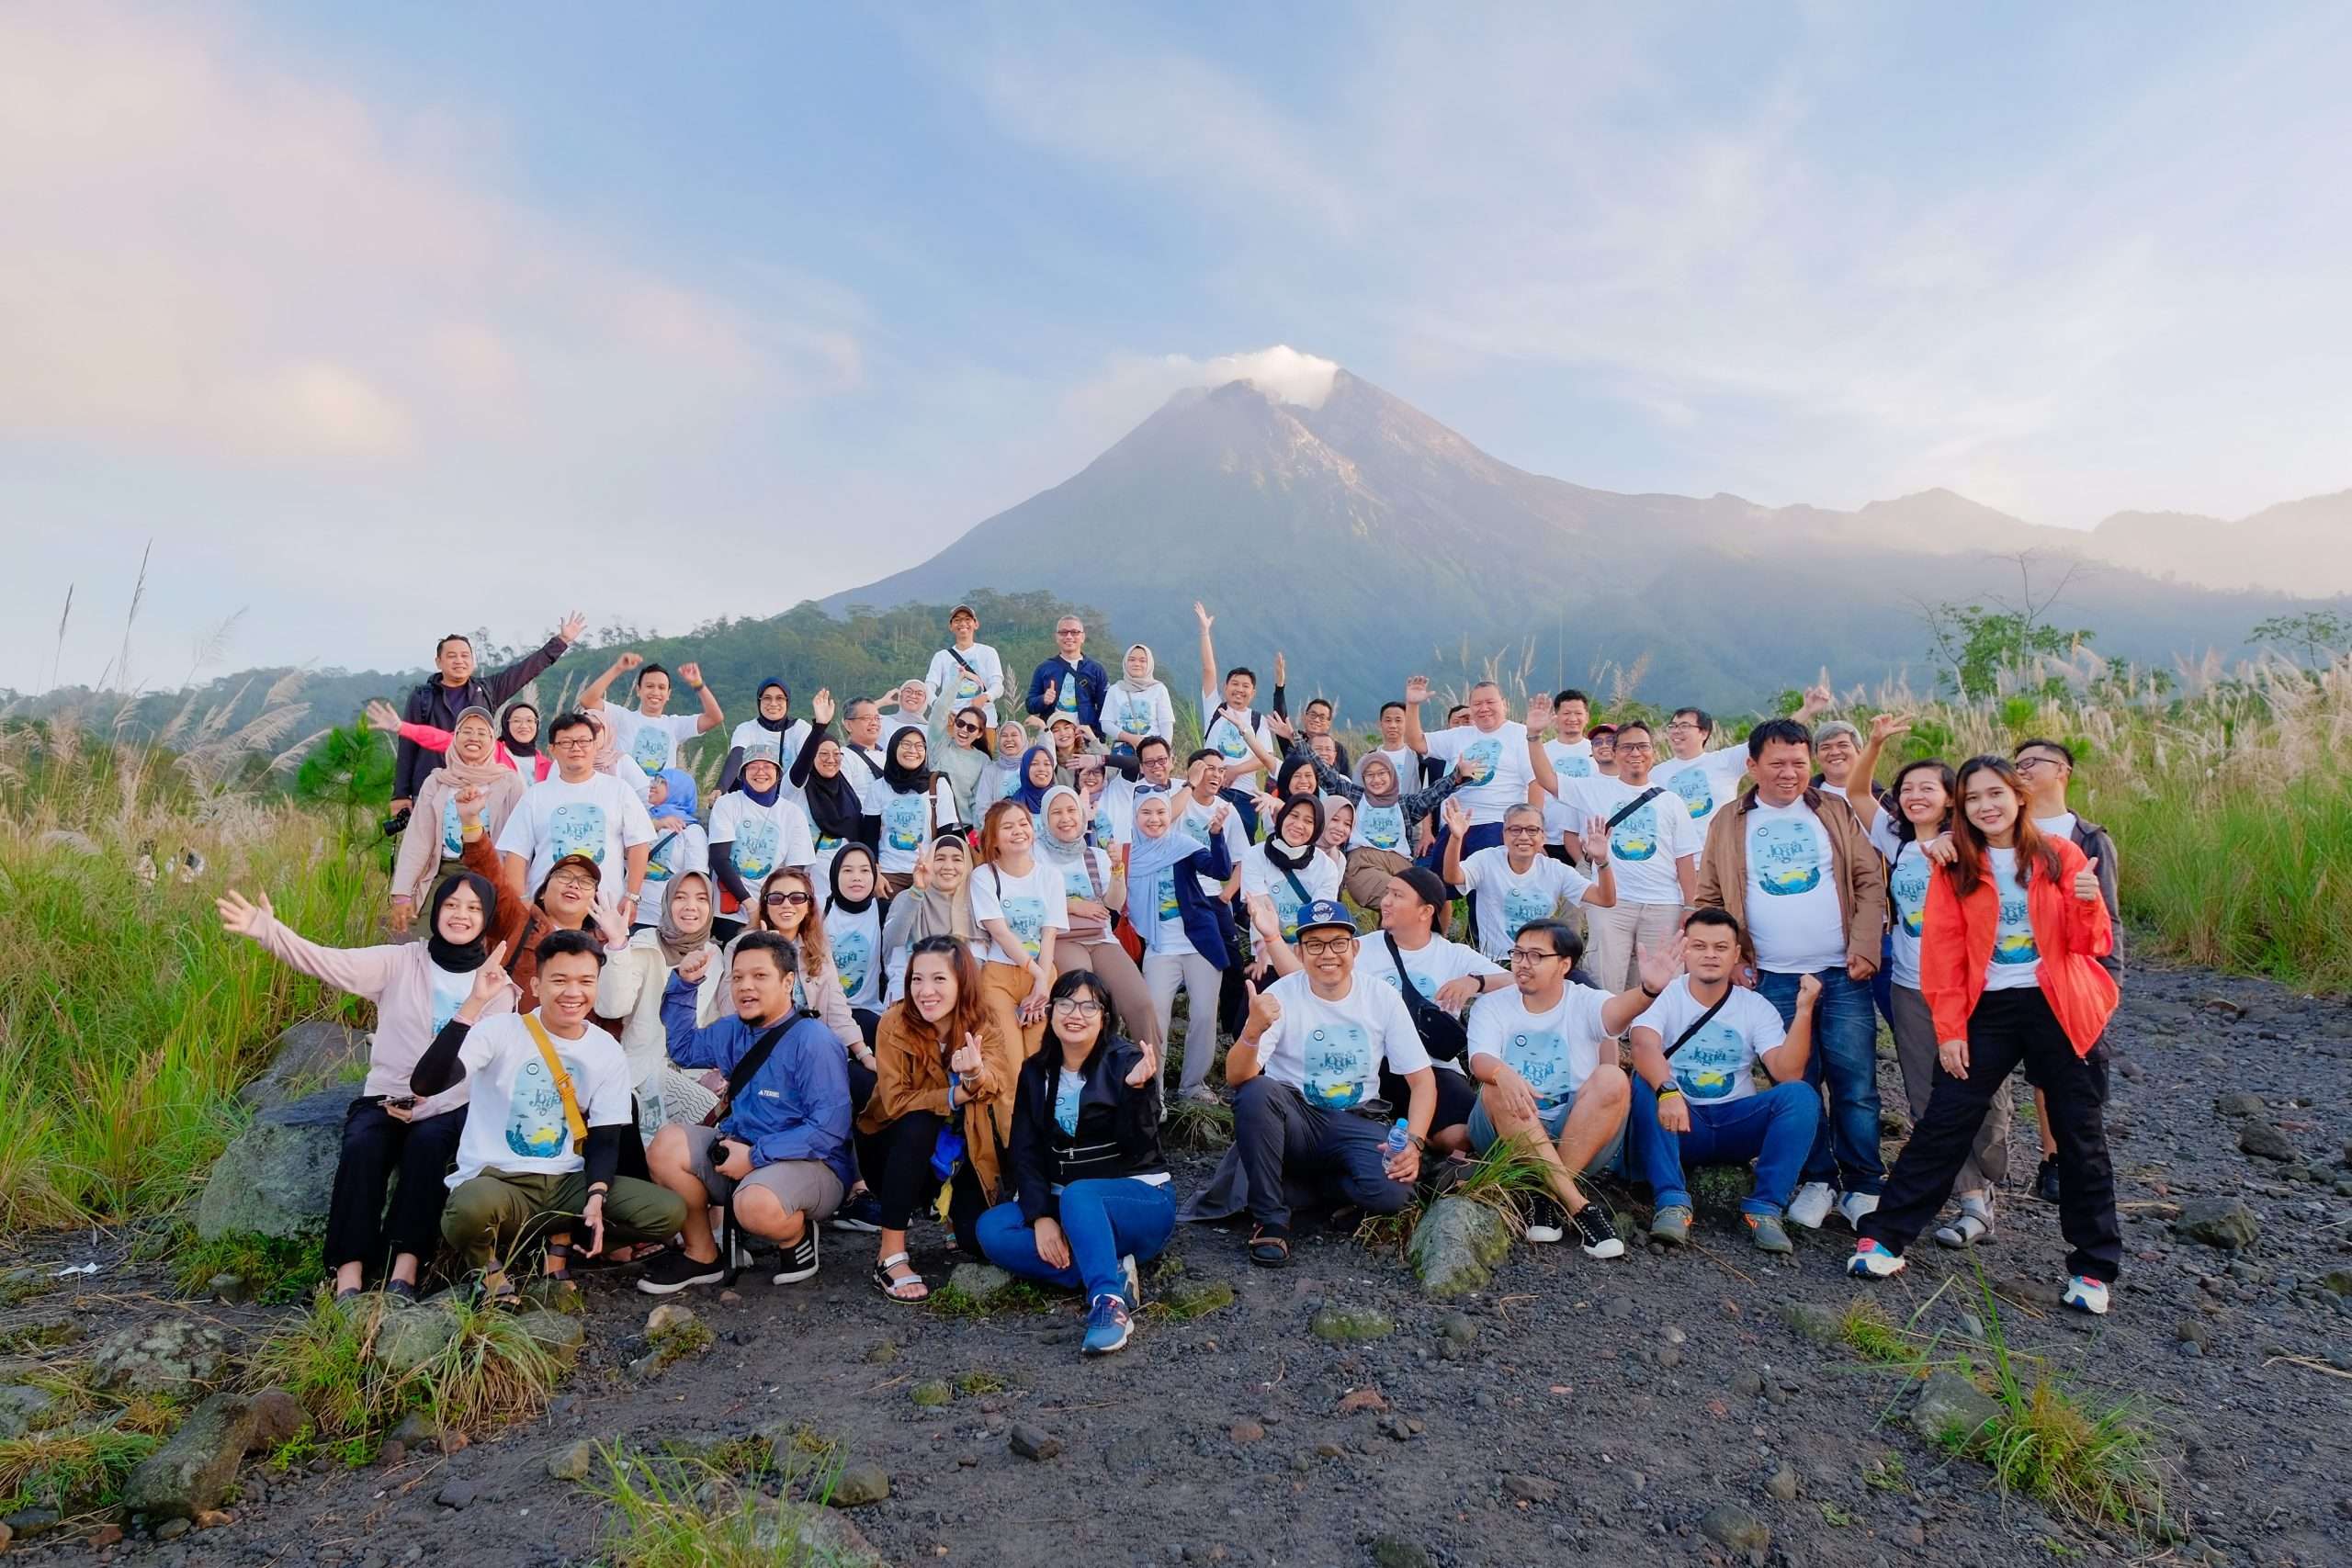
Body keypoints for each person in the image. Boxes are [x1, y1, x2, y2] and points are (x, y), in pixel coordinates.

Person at [1854, 757, 2120, 1315]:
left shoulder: (2059, 853)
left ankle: (2093, 1269)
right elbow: (1942, 954)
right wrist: (1950, 1030)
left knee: (2080, 1134)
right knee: (1945, 1120)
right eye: (1973, 798)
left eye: (1995, 794)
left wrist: (2088, 901)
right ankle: (1886, 1237)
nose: (1986, 806)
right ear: (1962, 807)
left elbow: (2089, 943)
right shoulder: (1954, 863)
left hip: (2057, 1006)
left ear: (2019, 797)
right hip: (1988, 1009)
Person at [216, 874, 498, 1300]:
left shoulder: (496, 987)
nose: (461, 915)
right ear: (435, 911)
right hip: (386, 1094)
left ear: (487, 918)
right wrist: (271, 933)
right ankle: (348, 1274)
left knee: (428, 1145)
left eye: (474, 908)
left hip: (446, 1107)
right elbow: (328, 962)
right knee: (363, 1143)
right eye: (452, 905)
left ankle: (405, 1269)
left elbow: (476, 1069)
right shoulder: (401, 962)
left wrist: (423, 1106)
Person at [416, 930, 689, 1303]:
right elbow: (427, 1082)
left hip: (565, 1185)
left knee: (667, 1213)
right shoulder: (499, 1032)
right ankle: (487, 1268)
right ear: (536, 984)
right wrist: (473, 1004)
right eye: (559, 980)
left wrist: (596, 1196)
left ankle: (558, 1238)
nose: (573, 993)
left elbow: (606, 1137)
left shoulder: (604, 1049)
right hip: (501, 1182)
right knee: (469, 1207)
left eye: (585, 981)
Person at [1695, 716, 1887, 1233]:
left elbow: (1870, 879)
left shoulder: (1835, 809)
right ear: (1752, 766)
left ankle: (1865, 1182)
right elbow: (1710, 897)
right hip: (1773, 978)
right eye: (1777, 763)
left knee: (1856, 1080)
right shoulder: (1729, 822)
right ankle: (1817, 1179)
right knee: (1796, 1080)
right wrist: (1733, 959)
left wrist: (1866, 944)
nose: (1789, 774)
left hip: (1842, 971)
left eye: (1799, 764)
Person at [638, 931, 854, 1292]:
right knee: (666, 1146)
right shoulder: (734, 1030)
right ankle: (703, 1255)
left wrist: (755, 1157)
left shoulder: (814, 1042)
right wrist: (684, 986)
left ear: (788, 982)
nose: (745, 987)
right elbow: (684, 1050)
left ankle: (796, 1238)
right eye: (737, 977)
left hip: (813, 1165)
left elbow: (829, 1131)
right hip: (742, 1150)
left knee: (753, 1205)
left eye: (759, 976)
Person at [1223, 899, 1436, 1267]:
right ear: (1299, 952)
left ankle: (1309, 1188)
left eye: (1338, 942)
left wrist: (1414, 1143)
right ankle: (1270, 1219)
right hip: (1294, 1119)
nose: (1328, 954)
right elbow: (1237, 1076)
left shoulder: (1381, 996)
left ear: (1355, 948)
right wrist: (1253, 1029)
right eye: (1315, 945)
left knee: (1392, 1194)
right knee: (1257, 1091)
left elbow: (1423, 1082)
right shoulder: (1282, 995)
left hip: (1355, 1120)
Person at [976, 971, 1172, 1356]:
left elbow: (1140, 1149)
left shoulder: (1126, 1062)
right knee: (993, 1229)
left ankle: (1107, 1304)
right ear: (1050, 1012)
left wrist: (1137, 1092)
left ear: (1105, 1016)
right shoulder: (1036, 1071)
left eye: (1088, 1005)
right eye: (1065, 1003)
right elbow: (1025, 1152)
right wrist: (1040, 1217)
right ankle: (1112, 1270)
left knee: (1081, 1195)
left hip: (1136, 1198)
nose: (1075, 1014)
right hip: (1063, 1200)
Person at [1851, 752, 2005, 1245]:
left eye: (1929, 788)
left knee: (1984, 1090)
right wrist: (1873, 743)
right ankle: (1971, 1200)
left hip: (1968, 988)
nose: (1916, 796)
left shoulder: (1971, 845)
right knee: (1925, 1094)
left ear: (1950, 798)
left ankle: (1987, 1172)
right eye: (1908, 788)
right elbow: (1857, 793)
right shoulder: (1895, 839)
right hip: (1910, 986)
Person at [1460, 917, 1666, 1256]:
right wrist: (1504, 1073)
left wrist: (1648, 991)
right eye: (1519, 953)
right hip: (1502, 1134)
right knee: (1497, 1083)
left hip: (1576, 1134)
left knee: (1612, 1076)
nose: (1524, 963)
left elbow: (1615, 1014)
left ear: (1565, 964)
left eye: (1536, 956)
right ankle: (1579, 1205)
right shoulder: (1492, 1005)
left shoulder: (1584, 1001)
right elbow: (1480, 1060)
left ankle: (1545, 1196)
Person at [1631, 908, 1825, 1254]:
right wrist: (1668, 1090)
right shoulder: (1665, 994)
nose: (1710, 955)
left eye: (1721, 947)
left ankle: (1765, 1209)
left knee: (1800, 1095)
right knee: (1645, 1082)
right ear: (1685, 951)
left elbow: (1787, 1072)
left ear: (1736, 954)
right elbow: (1644, 1045)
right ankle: (1672, 1201)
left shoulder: (1755, 1006)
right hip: (1678, 1122)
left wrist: (1805, 1010)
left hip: (1735, 1122)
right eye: (1700, 946)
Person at [859, 936, 1022, 1299]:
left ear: (963, 982)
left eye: (939, 979)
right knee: (921, 1119)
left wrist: (975, 1074)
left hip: (963, 1153)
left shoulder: (985, 1022)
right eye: (917, 979)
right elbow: (895, 1100)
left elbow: (999, 1081)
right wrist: (955, 1094)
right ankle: (890, 1254)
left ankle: (951, 1215)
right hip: (891, 1149)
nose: (925, 991)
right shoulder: (894, 1023)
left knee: (976, 1242)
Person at [2012, 737, 2123, 1205]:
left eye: (2032, 763)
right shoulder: (2004, 829)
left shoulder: (2090, 838)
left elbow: (2108, 913)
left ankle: (2057, 1160)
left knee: (2060, 1072)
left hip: (2070, 975)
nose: (2022, 770)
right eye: (2016, 764)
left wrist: (2110, 981)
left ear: (2063, 771)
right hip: (2009, 973)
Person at [1350, 866, 1507, 1145]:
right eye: (1387, 892)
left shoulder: (1452, 955)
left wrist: (1476, 982)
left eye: (1397, 895)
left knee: (1459, 1138)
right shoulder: (1361, 949)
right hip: (1373, 1064)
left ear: (1426, 911)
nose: (1386, 901)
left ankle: (1419, 1142)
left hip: (1433, 1065)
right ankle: (1407, 1138)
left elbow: (1520, 982)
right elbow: (1309, 975)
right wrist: (1271, 942)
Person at [1557, 719, 1702, 992]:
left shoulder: (1671, 801)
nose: (1635, 753)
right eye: (1627, 747)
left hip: (1664, 904)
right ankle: (1608, 1033)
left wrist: (1689, 905)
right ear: (1615, 752)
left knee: (1659, 982)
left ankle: (1648, 1033)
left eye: (1642, 746)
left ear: (1653, 752)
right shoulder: (1594, 789)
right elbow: (1547, 780)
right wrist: (1533, 735)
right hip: (1613, 902)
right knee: (1605, 975)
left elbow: (1684, 858)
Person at [390, 615, 584, 813]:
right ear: (438, 662)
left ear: (473, 661)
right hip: (432, 786)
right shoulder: (423, 696)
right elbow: (407, 745)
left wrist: (562, 641)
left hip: (477, 788)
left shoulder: (487, 691)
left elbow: (526, 670)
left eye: (465, 655)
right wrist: (400, 795)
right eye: (452, 656)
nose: (459, 661)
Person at [1125, 790, 1239, 1107]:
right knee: (1155, 1016)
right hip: (1160, 947)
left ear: (1169, 816)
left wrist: (1216, 836)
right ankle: (1155, 1090)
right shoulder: (1129, 855)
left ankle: (1192, 1085)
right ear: (1135, 818)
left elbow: (1220, 871)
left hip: (1199, 942)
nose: (1154, 819)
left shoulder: (1182, 847)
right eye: (1146, 813)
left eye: (1160, 813)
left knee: (1204, 1013)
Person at [1401, 678, 1561, 900]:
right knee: (1435, 890)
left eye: (1490, 702)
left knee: (1489, 894)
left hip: (1497, 825)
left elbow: (1535, 783)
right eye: (1477, 704)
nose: (1484, 709)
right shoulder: (1460, 735)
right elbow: (1416, 742)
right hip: (1457, 825)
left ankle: (1481, 935)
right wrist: (1413, 705)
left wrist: (1532, 830)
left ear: (1503, 703)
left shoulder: (1520, 734)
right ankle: (1440, 935)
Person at [1035, 785, 1159, 1068]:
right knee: (1083, 995)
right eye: (1057, 812)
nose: (1065, 818)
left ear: (1082, 816)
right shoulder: (1035, 854)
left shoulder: (1095, 855)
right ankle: (1086, 1072)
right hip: (1062, 938)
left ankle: (1152, 1081)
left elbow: (1114, 903)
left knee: (1141, 1003)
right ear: (1045, 818)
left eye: (1071, 811)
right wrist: (1073, 905)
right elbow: (1030, 897)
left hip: (1100, 937)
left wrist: (1117, 870)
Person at [595, 868, 727, 1134]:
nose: (691, 906)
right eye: (680, 897)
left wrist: (717, 1070)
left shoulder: (714, 954)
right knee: (704, 1110)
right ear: (667, 903)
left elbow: (711, 1021)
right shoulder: (644, 945)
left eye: (702, 899)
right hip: (644, 1066)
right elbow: (612, 1007)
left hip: (691, 1069)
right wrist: (618, 945)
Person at [494, 711, 654, 914]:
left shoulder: (619, 790)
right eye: (566, 742)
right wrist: (523, 901)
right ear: (552, 749)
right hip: (546, 911)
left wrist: (631, 896)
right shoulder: (536, 795)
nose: (576, 748)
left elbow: (639, 844)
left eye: (583, 741)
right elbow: (515, 853)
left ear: (595, 745)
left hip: (605, 910)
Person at [388, 705, 526, 931]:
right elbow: (418, 840)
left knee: (487, 946)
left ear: (492, 741)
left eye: (482, 733)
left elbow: (521, 842)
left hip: (492, 874)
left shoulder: (509, 782)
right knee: (429, 939)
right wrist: (402, 894)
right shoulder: (438, 782)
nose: (474, 738)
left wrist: (520, 891)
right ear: (456, 737)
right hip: (445, 871)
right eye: (467, 731)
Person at [1442, 801, 1615, 963]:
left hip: (1541, 961)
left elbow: (1605, 899)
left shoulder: (1555, 870)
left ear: (1543, 837)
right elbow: (1452, 877)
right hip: (1497, 961)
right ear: (1504, 835)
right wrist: (1456, 838)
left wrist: (1602, 862)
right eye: (1515, 830)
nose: (1524, 836)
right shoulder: (1487, 860)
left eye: (1532, 830)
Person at [1300, 749, 1467, 909]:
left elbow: (1431, 794)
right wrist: (1295, 738)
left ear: (1392, 775)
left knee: (1426, 898)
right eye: (1370, 775)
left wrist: (1456, 775)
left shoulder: (1404, 804)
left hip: (1402, 864)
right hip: (1363, 862)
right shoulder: (1356, 796)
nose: (1376, 779)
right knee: (1401, 899)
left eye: (1382, 773)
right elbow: (1326, 774)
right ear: (1363, 778)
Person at [969, 800, 1069, 1057]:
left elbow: (1049, 934)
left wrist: (1043, 983)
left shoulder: (1051, 876)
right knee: (1009, 1059)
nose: (1018, 831)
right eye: (1007, 827)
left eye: (1023, 824)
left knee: (1038, 1057)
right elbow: (1000, 933)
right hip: (999, 976)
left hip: (1042, 972)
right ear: (992, 839)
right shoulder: (983, 876)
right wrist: (1037, 975)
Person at [707, 743, 818, 936]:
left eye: (767, 766)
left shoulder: (792, 813)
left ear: (778, 773)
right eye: (752, 766)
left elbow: (795, 871)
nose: (760, 772)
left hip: (774, 910)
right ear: (742, 774)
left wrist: (769, 906)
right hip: (730, 912)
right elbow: (719, 859)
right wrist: (750, 905)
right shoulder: (727, 804)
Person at [1239, 795, 1341, 979]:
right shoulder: (1255, 856)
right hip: (1268, 951)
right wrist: (1264, 949)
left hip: (1308, 954)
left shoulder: (1325, 866)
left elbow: (1319, 917)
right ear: (1283, 817)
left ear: (1316, 828)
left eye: (1308, 821)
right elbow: (1259, 908)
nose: (1298, 824)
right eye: (1293, 816)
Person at [579, 652, 725, 776]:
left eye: (661, 688)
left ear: (668, 694)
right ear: (638, 690)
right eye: (649, 686)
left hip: (660, 802)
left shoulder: (674, 725)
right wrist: (618, 668)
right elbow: (588, 700)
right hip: (627, 798)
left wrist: (698, 684)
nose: (655, 692)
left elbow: (714, 718)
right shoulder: (623, 717)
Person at [880, 830, 976, 1007]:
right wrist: (917, 893)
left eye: (957, 859)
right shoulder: (907, 897)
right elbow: (891, 941)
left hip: (961, 995)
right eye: (939, 858)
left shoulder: (975, 904)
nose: (948, 866)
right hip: (910, 990)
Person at [864, 726, 959, 897]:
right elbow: (869, 836)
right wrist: (875, 874)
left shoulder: (937, 784)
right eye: (906, 744)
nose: (913, 751)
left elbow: (944, 835)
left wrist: (935, 870)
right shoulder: (879, 787)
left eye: (919, 745)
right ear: (894, 748)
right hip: (889, 874)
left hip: (927, 871)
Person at [1193, 601, 1278, 787]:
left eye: (1245, 686)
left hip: (1244, 792)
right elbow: (1209, 669)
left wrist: (1234, 771)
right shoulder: (1214, 707)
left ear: (1253, 692)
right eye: (1235, 684)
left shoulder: (1258, 720)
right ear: (1225, 687)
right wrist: (1205, 632)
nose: (1240, 689)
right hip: (1209, 789)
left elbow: (1266, 757)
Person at [789, 692, 877, 869]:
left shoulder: (847, 793)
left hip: (845, 881)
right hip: (805, 881)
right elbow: (801, 766)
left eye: (836, 754)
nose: (831, 759)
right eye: (822, 754)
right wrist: (820, 727)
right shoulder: (796, 787)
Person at [822, 844, 887, 1041]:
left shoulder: (883, 911)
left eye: (865, 870)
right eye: (847, 870)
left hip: (868, 1011)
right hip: (825, 1012)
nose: (856, 877)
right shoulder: (819, 911)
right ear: (835, 874)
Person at [719, 679, 810, 801]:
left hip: (793, 803)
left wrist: (821, 725)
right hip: (752, 803)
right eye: (767, 698)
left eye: (780, 698)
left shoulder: (800, 728)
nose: (773, 703)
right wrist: (721, 787)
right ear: (759, 701)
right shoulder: (746, 729)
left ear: (787, 701)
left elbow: (806, 762)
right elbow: (737, 755)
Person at [924, 604, 1007, 731]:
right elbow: (928, 688)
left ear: (976, 624)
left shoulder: (988, 652)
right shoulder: (941, 657)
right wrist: (940, 708)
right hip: (950, 722)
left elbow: (998, 686)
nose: (963, 623)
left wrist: (985, 697)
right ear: (951, 626)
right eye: (957, 620)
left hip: (983, 721)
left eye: (967, 619)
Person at [1026, 615, 1109, 738]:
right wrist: (1043, 699)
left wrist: (1096, 735)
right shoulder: (1044, 668)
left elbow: (1105, 708)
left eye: (1075, 632)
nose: (1069, 636)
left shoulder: (1096, 669)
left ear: (1083, 637)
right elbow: (1030, 705)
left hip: (1085, 738)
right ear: (1056, 637)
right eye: (1063, 632)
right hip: (1052, 738)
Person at [1104, 643, 1177, 749]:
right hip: (1123, 749)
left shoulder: (1158, 689)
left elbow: (1166, 723)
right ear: (1125, 662)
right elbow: (1106, 724)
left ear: (1150, 663)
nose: (1136, 664)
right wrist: (1131, 739)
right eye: (1132, 660)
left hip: (1152, 749)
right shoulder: (1115, 689)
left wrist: (1165, 749)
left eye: (1142, 661)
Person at [933, 704, 993, 826]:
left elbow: (979, 800)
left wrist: (978, 831)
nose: (964, 730)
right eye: (960, 723)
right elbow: (937, 712)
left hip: (963, 827)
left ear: (980, 734)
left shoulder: (983, 760)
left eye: (971, 728)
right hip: (933, 824)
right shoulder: (940, 746)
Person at [974, 719, 1033, 818]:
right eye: (1004, 735)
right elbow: (982, 808)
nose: (1009, 739)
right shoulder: (990, 771)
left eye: (1014, 735)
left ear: (1023, 739)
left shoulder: (1032, 767)